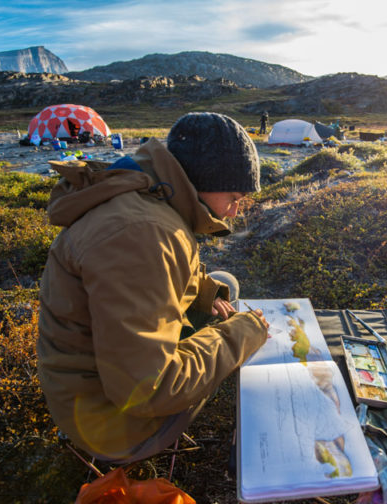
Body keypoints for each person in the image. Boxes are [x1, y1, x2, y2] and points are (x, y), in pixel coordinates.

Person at [37, 112, 270, 463]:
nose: (235, 211)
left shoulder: (146, 193)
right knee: (241, 333)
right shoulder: (143, 235)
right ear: (200, 179)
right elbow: (152, 391)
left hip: (89, 386)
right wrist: (239, 337)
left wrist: (206, 294)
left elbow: (151, 281)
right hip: (115, 427)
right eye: (234, 196)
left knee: (223, 285)